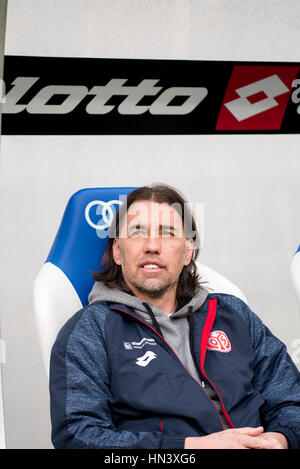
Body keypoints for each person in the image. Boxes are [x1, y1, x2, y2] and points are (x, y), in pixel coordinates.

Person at [50, 184, 300, 449]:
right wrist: (191, 448)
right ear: (118, 252)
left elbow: (291, 399)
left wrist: (279, 439)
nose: (152, 246)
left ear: (187, 251)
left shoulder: (234, 314)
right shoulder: (91, 331)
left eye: (167, 233)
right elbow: (77, 436)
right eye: (137, 233)